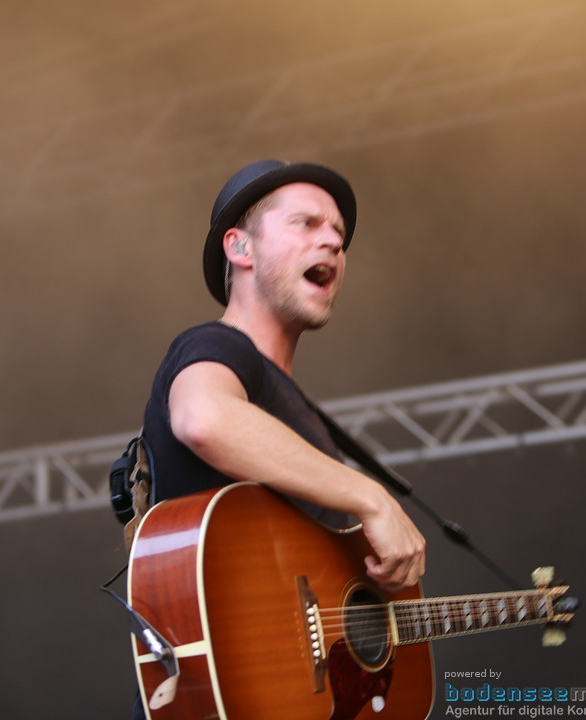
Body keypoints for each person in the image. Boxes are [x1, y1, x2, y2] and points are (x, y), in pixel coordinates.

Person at [130, 159, 426, 718]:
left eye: (339, 235)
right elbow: (204, 418)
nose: (334, 244)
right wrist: (372, 497)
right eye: (308, 224)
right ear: (240, 249)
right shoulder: (218, 347)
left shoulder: (294, 414)